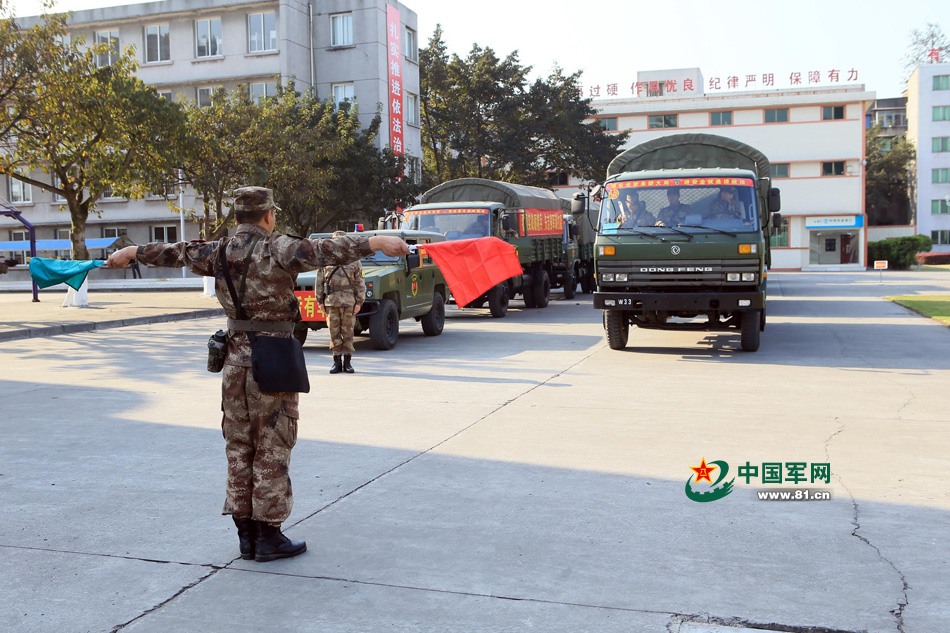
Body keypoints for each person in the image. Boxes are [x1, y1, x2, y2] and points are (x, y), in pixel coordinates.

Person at [106, 186, 410, 563]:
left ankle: (246, 536)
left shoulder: (218, 251)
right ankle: (268, 536)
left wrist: (131, 251)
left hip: (234, 359)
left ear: (237, 218)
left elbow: (174, 251)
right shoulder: (277, 247)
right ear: (268, 215)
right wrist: (377, 240)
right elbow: (325, 251)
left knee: (239, 447)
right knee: (273, 444)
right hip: (273, 357)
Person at [316, 231, 365, 374]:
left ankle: (348, 362)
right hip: (331, 301)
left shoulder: (354, 260)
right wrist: (319, 299)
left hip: (349, 302)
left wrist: (359, 302)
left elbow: (360, 282)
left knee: (348, 332)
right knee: (333, 332)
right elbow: (319, 281)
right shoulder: (325, 260)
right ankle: (336, 361)